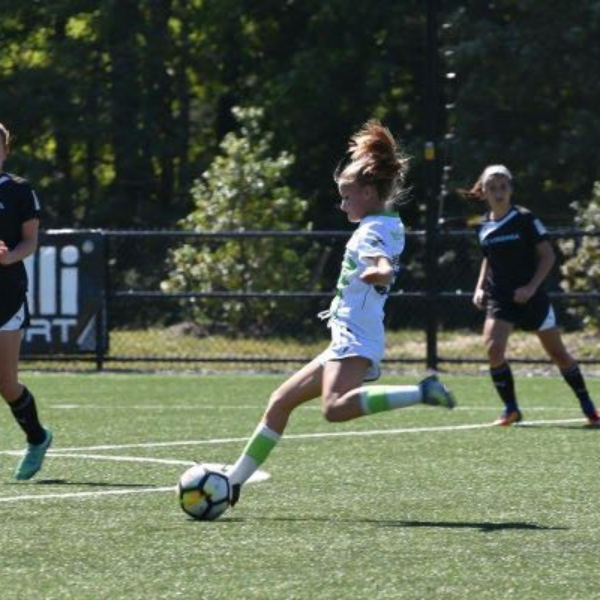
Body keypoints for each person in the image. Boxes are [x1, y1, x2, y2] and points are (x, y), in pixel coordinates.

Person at [225, 120, 455, 506]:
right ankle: (233, 481)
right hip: (350, 334)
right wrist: (380, 271)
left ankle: (421, 392)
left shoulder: (371, 230)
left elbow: (381, 262)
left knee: (334, 409)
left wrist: (380, 272)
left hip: (355, 335)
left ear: (368, 192)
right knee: (280, 401)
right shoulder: (387, 222)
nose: (343, 204)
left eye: (347, 197)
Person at [465, 164, 600, 427]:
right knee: (493, 349)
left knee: (559, 354)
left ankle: (589, 408)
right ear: (483, 192)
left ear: (511, 189)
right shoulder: (483, 226)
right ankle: (511, 409)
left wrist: (530, 287)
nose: (499, 192)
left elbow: (548, 256)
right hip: (501, 297)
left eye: (503, 186)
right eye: (492, 188)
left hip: (532, 297)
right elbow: (488, 259)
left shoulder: (525, 219)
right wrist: (479, 287)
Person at [0, 122, 53, 479]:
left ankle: (37, 438)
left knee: (6, 383)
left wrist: (8, 257)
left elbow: (30, 241)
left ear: (5, 151)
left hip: (7, 295)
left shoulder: (19, 190)